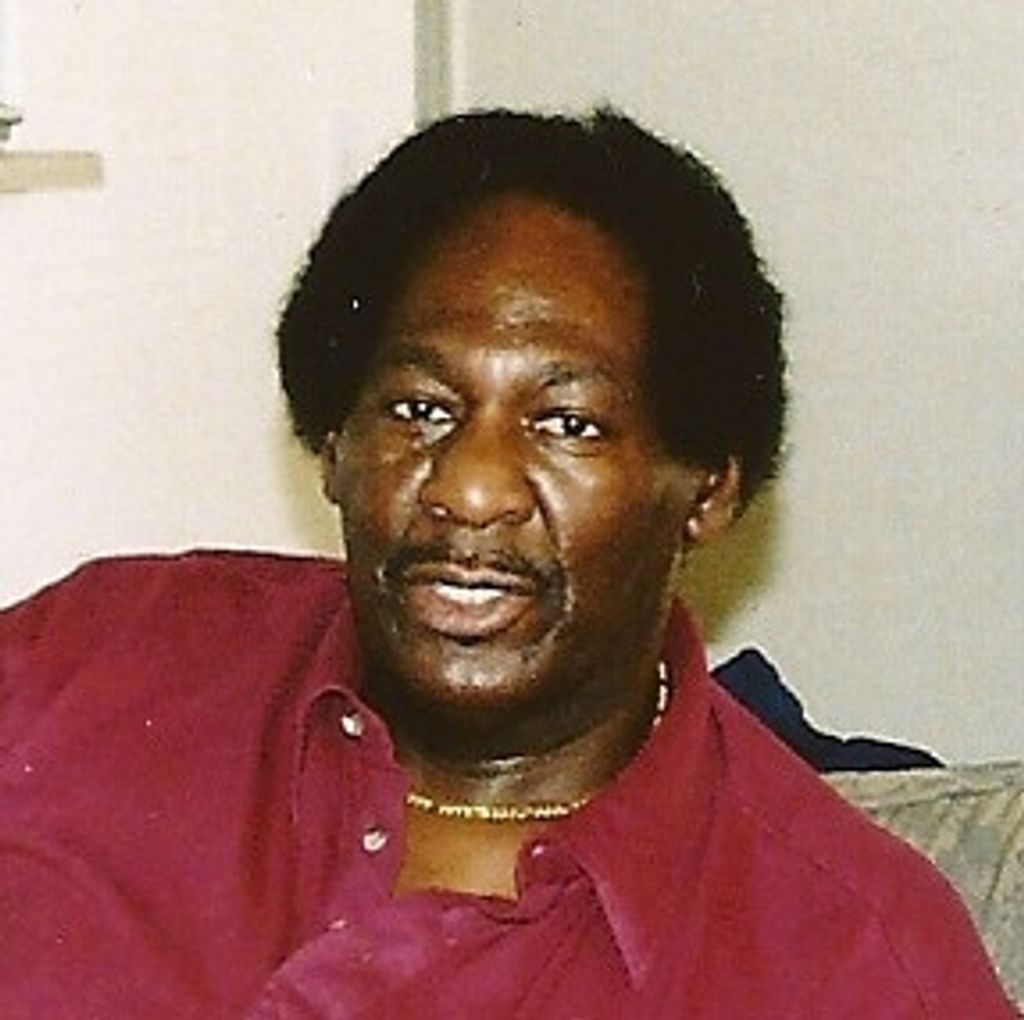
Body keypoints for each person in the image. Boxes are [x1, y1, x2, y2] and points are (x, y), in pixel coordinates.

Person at [0, 110, 1012, 1018]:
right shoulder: (93, 662)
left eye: (568, 423)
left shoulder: (853, 963)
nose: (471, 488)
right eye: (419, 409)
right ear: (336, 446)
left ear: (705, 489)